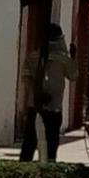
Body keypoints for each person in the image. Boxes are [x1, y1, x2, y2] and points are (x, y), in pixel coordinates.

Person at [20, 24, 78, 162]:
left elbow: (26, 78)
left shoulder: (33, 57)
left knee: (29, 141)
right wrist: (74, 57)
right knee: (52, 141)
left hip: (35, 105)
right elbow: (74, 76)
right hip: (54, 107)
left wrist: (37, 93)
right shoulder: (64, 59)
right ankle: (49, 166)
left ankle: (23, 166)